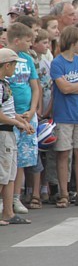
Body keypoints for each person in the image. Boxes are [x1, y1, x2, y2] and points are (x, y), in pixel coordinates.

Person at [51, 26, 78, 207]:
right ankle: (63, 193)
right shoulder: (57, 63)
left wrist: (74, 86)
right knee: (63, 154)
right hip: (64, 115)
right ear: (72, 42)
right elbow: (64, 88)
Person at [4, 23, 40, 216]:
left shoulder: (27, 59)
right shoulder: (4, 59)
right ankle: (5, 200)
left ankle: (15, 198)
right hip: (9, 116)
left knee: (21, 160)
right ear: (16, 40)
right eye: (27, 40)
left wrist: (33, 110)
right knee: (7, 160)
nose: (30, 43)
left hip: (26, 116)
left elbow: (35, 87)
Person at [0, 48, 34, 225]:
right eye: (13, 65)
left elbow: (8, 111)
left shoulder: (5, 84)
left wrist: (21, 119)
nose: (14, 69)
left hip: (9, 133)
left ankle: (8, 212)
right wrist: (18, 123)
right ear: (7, 66)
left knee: (10, 174)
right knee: (2, 174)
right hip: (3, 133)